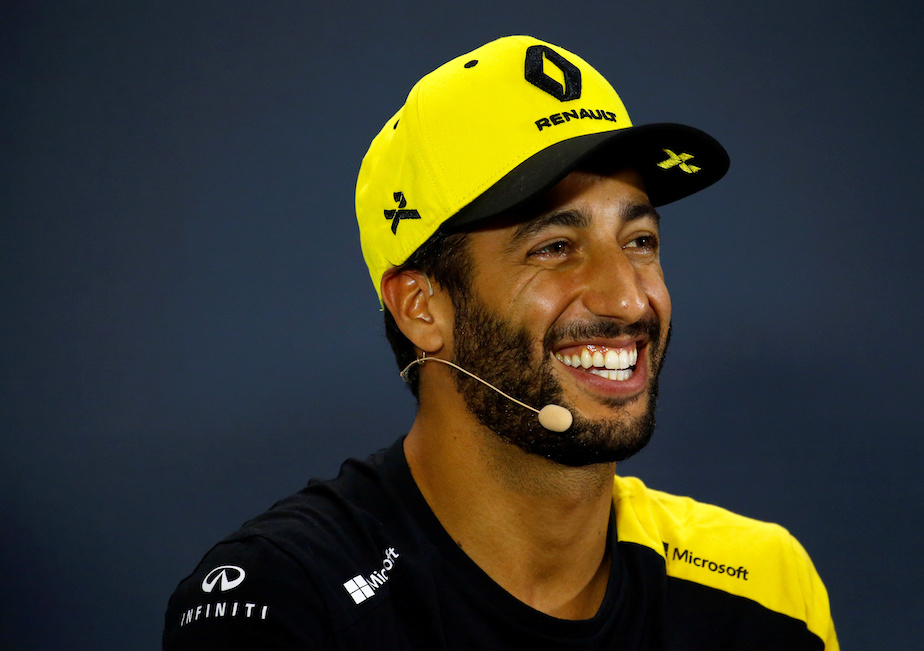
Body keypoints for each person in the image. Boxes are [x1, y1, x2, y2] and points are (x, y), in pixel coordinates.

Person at [163, 35, 838, 650]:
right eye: (555, 247)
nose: (629, 299)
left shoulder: (768, 591)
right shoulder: (282, 605)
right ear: (421, 306)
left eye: (639, 241)